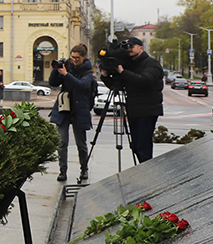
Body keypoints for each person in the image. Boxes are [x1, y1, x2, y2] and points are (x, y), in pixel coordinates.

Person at [101, 36, 164, 163]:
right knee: (135, 145)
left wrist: (123, 72)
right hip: (133, 110)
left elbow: (145, 80)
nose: (128, 49)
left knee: (143, 145)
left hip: (148, 110)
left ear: (140, 48)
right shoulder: (130, 64)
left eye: (132, 47)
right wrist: (105, 76)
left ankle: (147, 171)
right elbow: (117, 85)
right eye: (127, 47)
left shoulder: (151, 63)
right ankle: (142, 169)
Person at [49, 44, 98, 182]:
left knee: (81, 144)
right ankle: (62, 171)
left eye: (77, 58)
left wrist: (66, 74)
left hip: (79, 110)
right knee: (61, 142)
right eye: (72, 57)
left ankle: (84, 170)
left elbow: (81, 85)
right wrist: (56, 70)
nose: (74, 60)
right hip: (64, 109)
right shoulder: (67, 66)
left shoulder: (88, 72)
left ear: (84, 57)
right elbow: (53, 83)